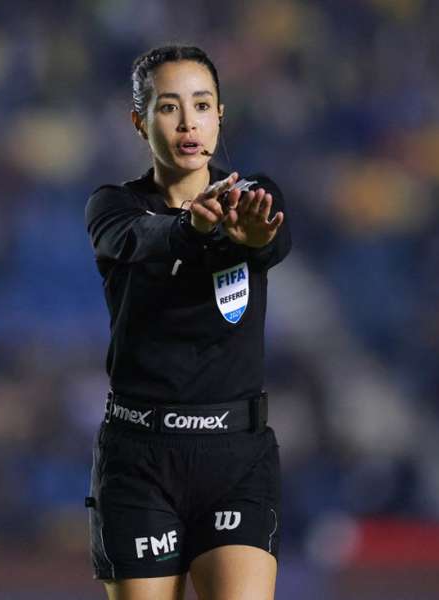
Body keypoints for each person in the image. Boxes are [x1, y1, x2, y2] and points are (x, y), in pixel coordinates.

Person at [83, 45, 291, 600]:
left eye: (201, 105)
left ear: (221, 114)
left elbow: (273, 239)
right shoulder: (113, 208)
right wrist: (192, 231)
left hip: (236, 456)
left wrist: (256, 239)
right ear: (140, 121)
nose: (188, 122)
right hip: (141, 457)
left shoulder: (252, 199)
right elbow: (144, 240)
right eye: (169, 107)